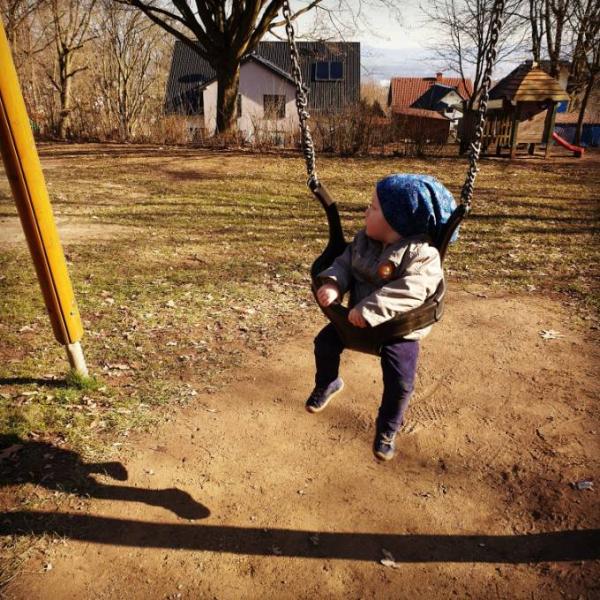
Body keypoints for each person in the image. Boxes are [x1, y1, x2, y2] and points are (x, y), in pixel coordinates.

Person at [305, 174, 456, 461]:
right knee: (324, 344)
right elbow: (343, 264)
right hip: (354, 323)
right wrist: (333, 284)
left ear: (398, 222)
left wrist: (369, 309)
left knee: (401, 381)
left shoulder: (423, 256)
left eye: (373, 208)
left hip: (398, 331)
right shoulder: (363, 241)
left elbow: (411, 290)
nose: (366, 212)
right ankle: (328, 382)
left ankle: (388, 427)